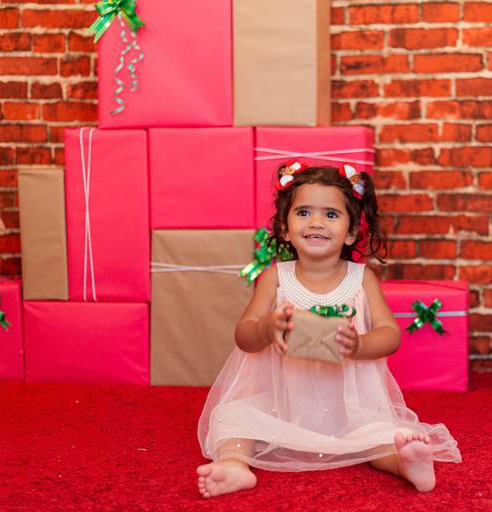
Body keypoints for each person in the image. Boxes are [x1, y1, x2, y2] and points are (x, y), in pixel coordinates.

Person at [196, 161, 461, 497]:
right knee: (232, 416)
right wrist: (266, 329)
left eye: (331, 215)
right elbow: (244, 337)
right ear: (284, 228)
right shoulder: (276, 277)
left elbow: (390, 334)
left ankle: (406, 464)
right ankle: (235, 465)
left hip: (349, 405)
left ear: (351, 232)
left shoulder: (361, 279)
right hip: (282, 402)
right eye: (303, 212)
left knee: (378, 434)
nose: (316, 222)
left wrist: (359, 345)